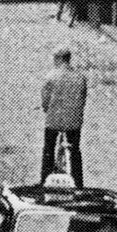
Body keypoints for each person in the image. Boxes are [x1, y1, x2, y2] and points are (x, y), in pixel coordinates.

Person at [40, 47, 88, 185]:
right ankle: (78, 183)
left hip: (54, 121)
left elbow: (45, 102)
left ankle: (45, 180)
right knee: (75, 151)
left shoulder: (50, 77)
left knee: (48, 149)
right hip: (74, 122)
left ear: (59, 59)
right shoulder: (80, 77)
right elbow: (83, 100)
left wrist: (47, 110)